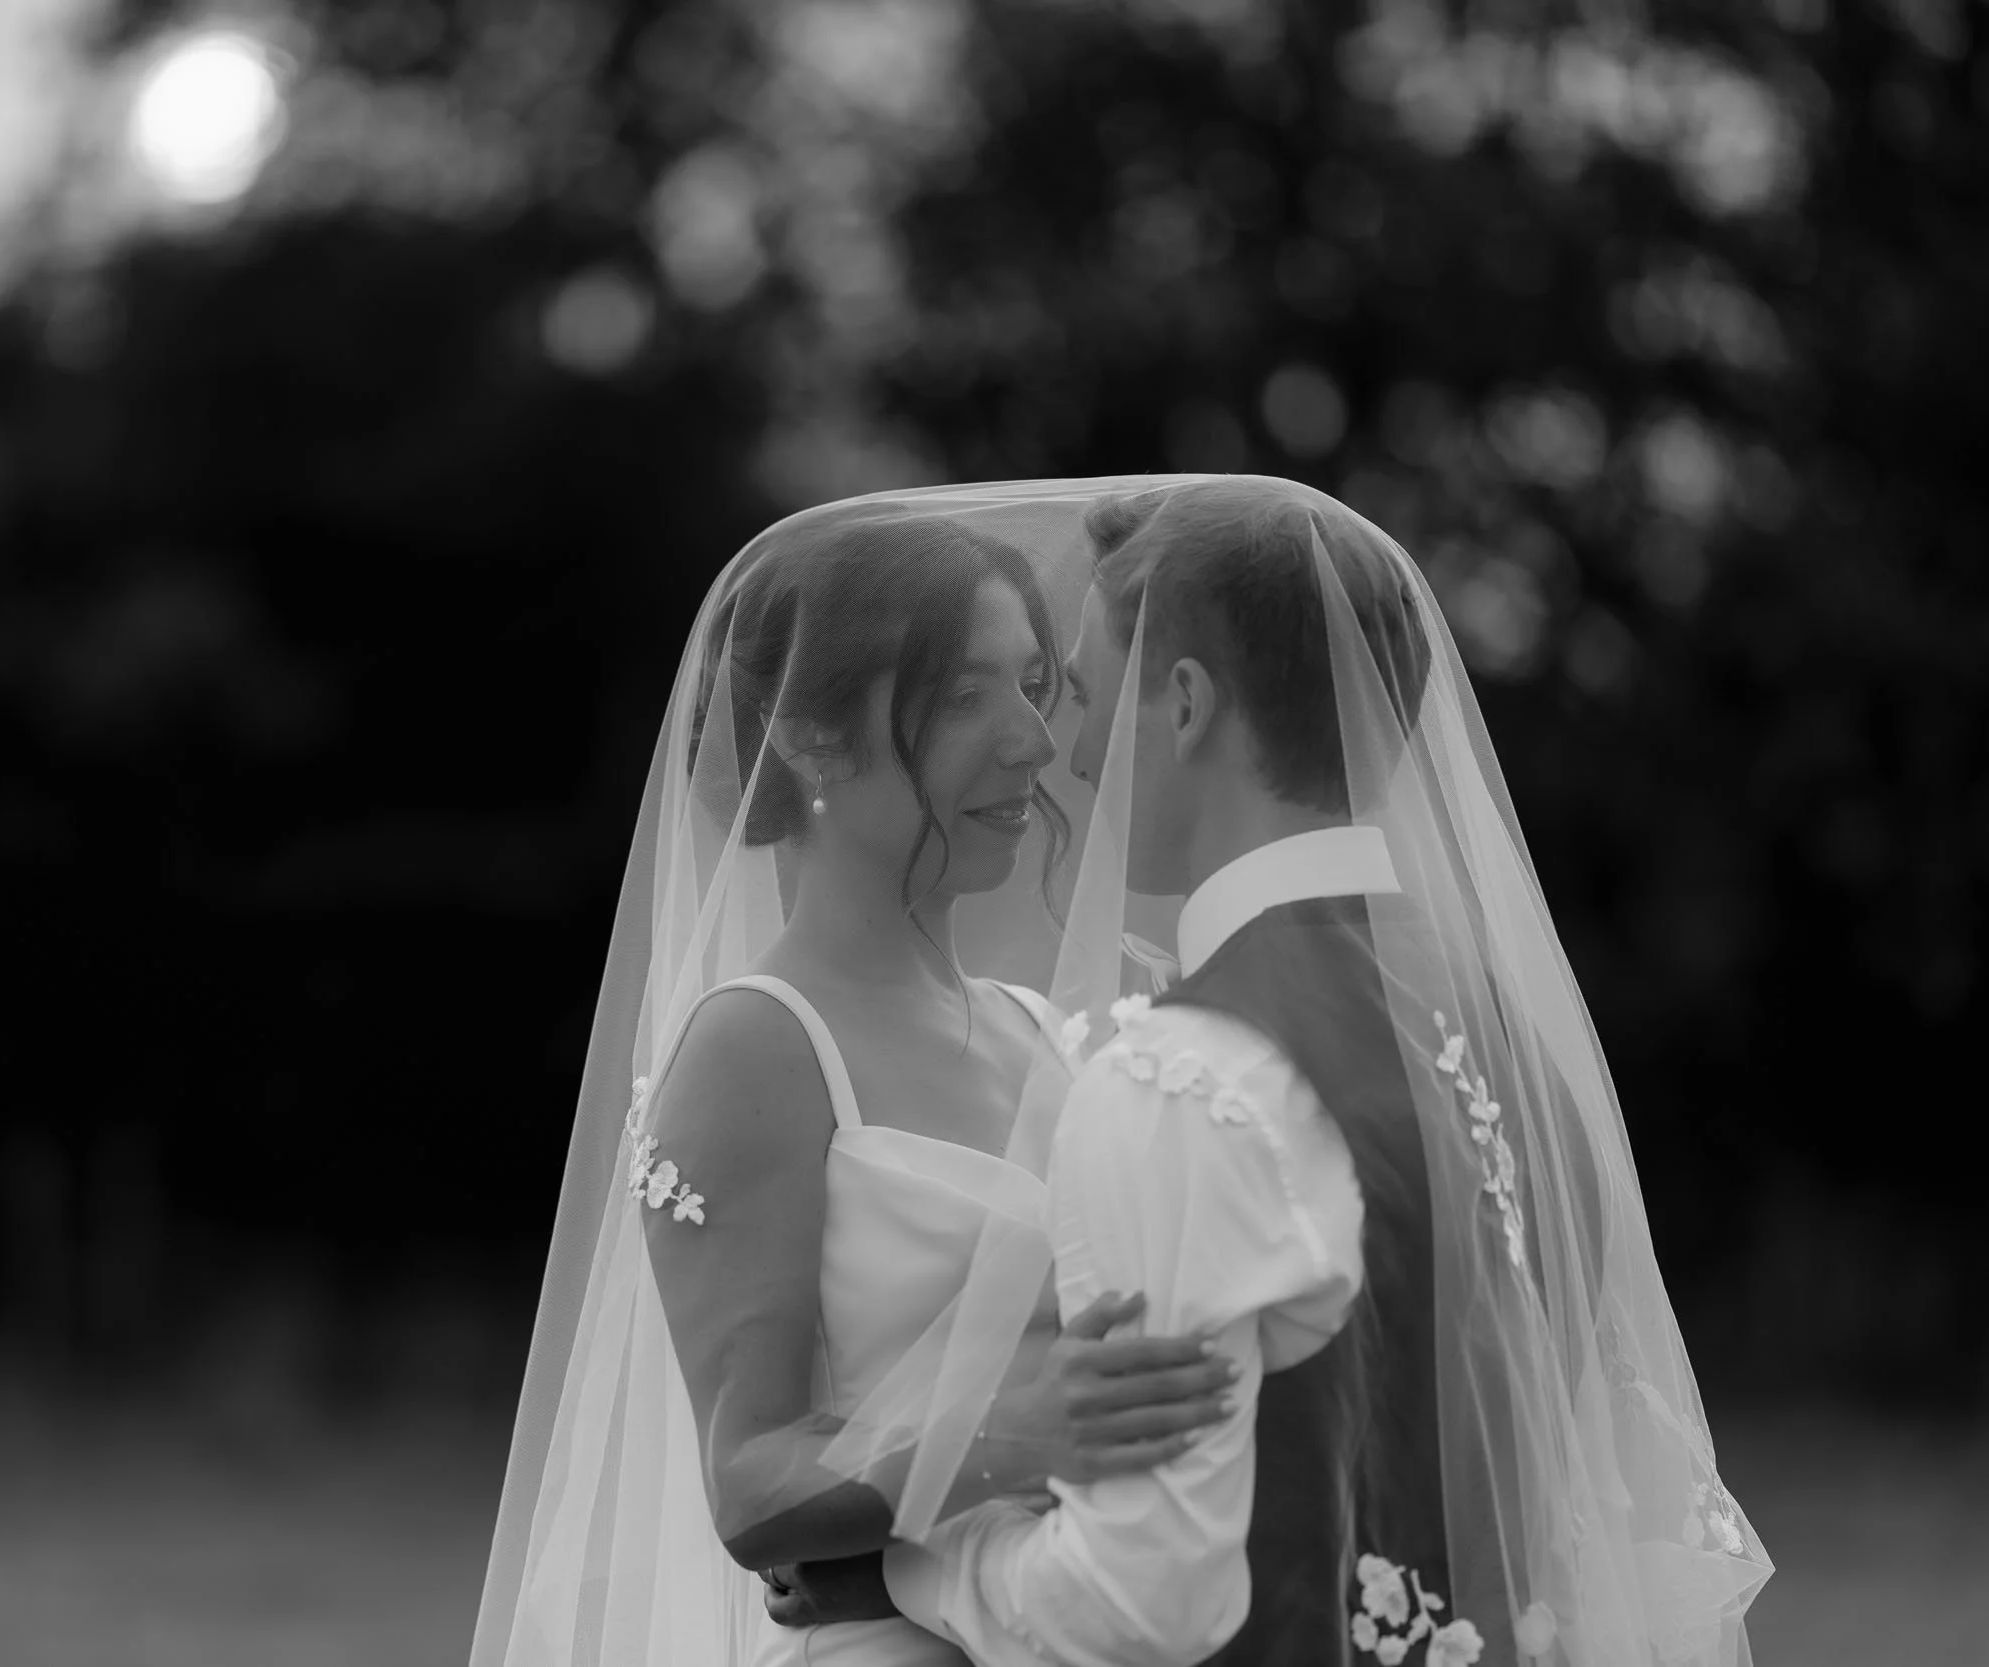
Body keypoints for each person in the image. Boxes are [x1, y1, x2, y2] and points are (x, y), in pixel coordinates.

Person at [766, 478, 1772, 1667]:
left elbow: (1142, 1605)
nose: (1067, 755)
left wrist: (906, 1561)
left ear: (1187, 703)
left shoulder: (1181, 1078)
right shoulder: (1504, 1037)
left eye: (1084, 694)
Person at [471, 500, 1237, 1667]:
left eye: (1035, 685)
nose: (1033, 741)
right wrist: (1009, 1433)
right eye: (965, 695)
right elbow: (748, 1481)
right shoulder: (759, 1045)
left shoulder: (1044, 1031)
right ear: (810, 737)